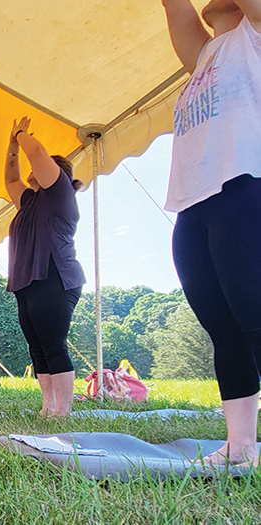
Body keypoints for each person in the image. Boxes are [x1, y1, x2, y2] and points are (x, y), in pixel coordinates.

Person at [163, 0, 261, 465]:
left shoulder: (254, 34)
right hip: (194, 202)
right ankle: (240, 448)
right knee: (225, 330)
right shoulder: (206, 55)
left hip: (245, 187)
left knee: (257, 318)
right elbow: (173, 5)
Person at [4, 116, 85, 417]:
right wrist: (11, 149)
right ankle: (47, 407)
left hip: (55, 276)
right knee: (37, 348)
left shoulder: (59, 192)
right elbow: (11, 180)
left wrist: (20, 134)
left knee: (52, 344)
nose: (33, 171)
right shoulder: (30, 201)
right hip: (27, 282)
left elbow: (37, 153)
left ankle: (62, 411)